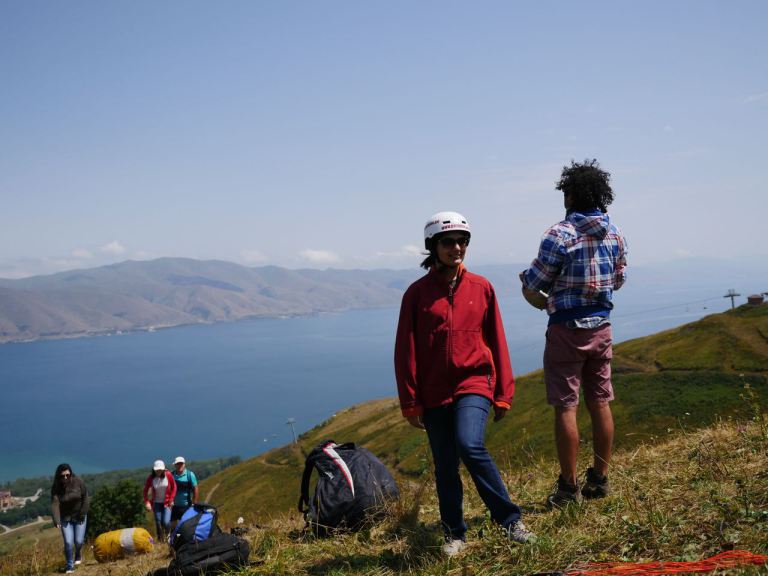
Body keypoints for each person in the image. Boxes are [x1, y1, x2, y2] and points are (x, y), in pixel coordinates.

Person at [394, 211, 535, 556]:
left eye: (462, 241)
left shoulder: (482, 287)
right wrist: (410, 401)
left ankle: (510, 520)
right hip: (433, 391)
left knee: (469, 444)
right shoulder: (416, 294)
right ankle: (454, 533)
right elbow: (405, 349)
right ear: (433, 246)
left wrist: (503, 393)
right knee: (444, 464)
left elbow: (497, 339)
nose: (456, 247)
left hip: (474, 381)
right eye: (448, 242)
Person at [520, 159, 628, 508]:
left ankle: (568, 489)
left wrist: (535, 295)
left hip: (566, 330)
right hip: (602, 327)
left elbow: (535, 284)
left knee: (566, 407)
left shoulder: (558, 235)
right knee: (600, 401)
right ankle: (600, 478)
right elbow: (618, 280)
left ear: (568, 194)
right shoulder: (615, 235)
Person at [51, 463, 89, 574]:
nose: (65, 477)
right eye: (62, 476)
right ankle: (69, 565)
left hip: (80, 516)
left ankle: (78, 553)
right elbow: (54, 504)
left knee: (78, 541)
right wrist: (56, 520)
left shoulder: (78, 482)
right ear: (59, 476)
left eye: (67, 475)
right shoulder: (56, 487)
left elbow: (86, 498)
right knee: (68, 542)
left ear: (70, 473)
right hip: (65, 518)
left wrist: (82, 513)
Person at [142, 459, 177, 541]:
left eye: (160, 469)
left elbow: (174, 487)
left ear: (163, 469)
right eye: (157, 470)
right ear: (154, 470)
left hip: (167, 503)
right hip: (156, 503)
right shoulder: (151, 478)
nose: (159, 471)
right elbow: (145, 490)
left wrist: (171, 499)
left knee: (166, 521)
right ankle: (160, 539)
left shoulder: (168, 475)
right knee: (158, 522)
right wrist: (147, 502)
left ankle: (168, 536)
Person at [170, 456, 198, 524]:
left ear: (184, 464)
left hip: (187, 506)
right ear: (175, 465)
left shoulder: (190, 475)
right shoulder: (171, 475)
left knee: (185, 526)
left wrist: (194, 503)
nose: (180, 465)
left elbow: (195, 489)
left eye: (181, 464)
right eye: (178, 464)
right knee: (173, 526)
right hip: (174, 506)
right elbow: (169, 489)